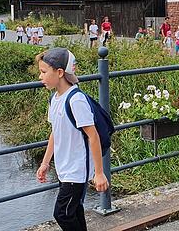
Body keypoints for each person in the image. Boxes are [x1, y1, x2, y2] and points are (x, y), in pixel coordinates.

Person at [35, 48, 109, 230]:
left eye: (44, 72)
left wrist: (99, 173)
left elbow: (93, 136)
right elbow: (55, 132)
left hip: (76, 170)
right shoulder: (55, 98)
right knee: (74, 210)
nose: (40, 77)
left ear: (60, 73)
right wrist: (45, 163)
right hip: (64, 167)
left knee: (62, 214)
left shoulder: (76, 100)